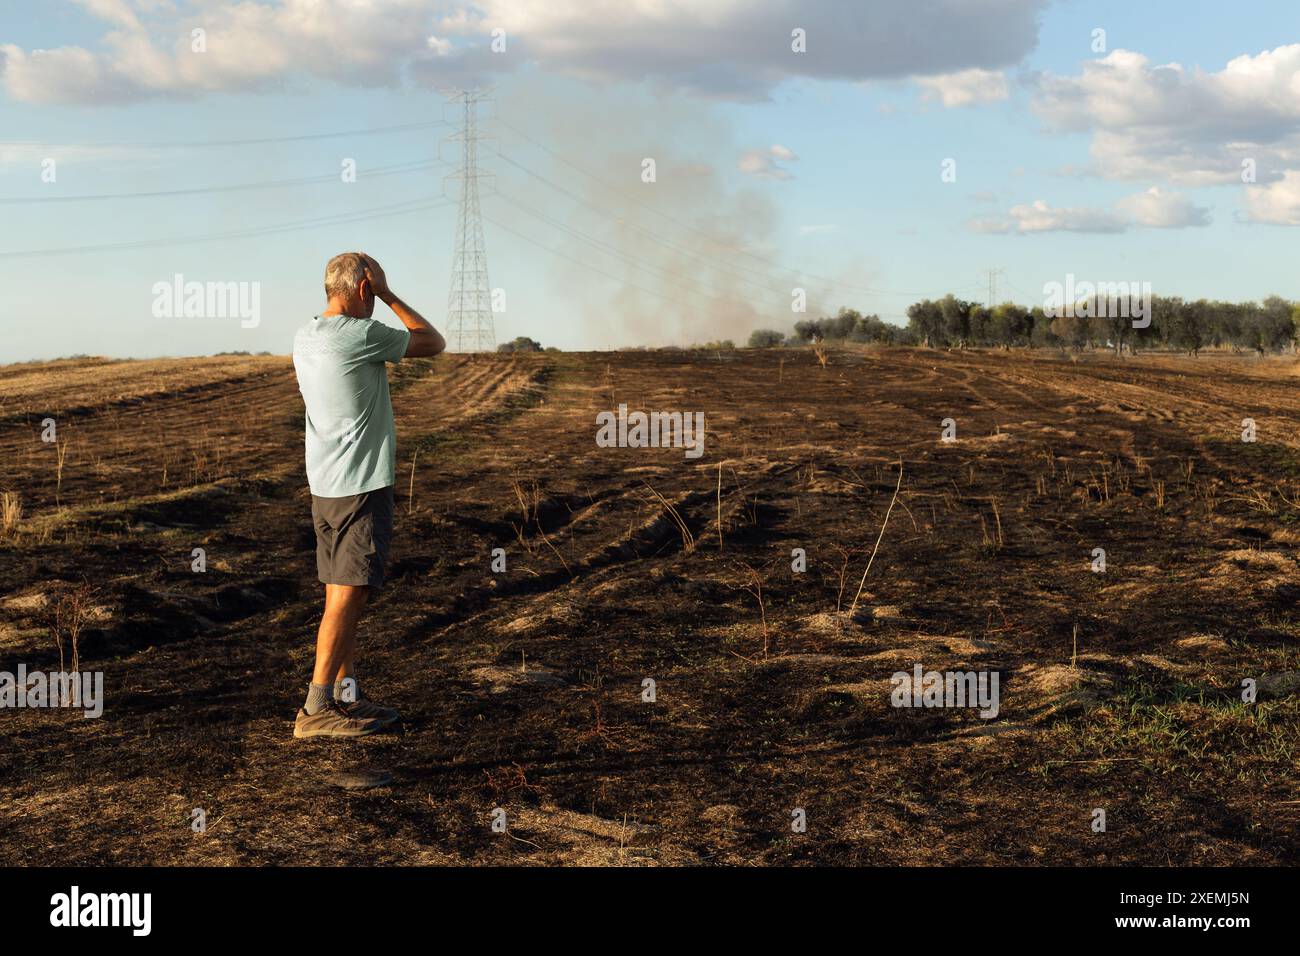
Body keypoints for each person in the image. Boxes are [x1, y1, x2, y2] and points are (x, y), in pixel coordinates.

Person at [290, 252, 445, 738]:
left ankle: (345, 697)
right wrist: (390, 295)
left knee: (342, 592)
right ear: (363, 289)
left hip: (326, 484)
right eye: (373, 290)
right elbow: (433, 342)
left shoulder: (306, 334)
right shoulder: (360, 334)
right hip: (361, 485)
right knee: (349, 594)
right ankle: (316, 709)